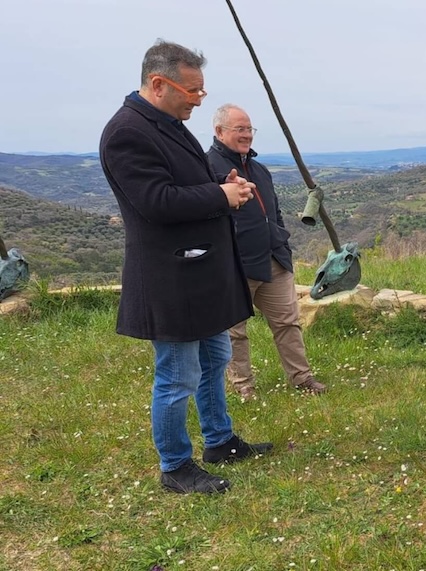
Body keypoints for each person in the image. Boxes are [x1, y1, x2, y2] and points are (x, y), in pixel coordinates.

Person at [99, 40, 272, 495]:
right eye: (192, 91)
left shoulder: (168, 124)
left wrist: (220, 181)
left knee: (215, 359)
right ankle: (175, 465)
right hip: (170, 277)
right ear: (159, 83)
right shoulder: (127, 132)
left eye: (202, 90)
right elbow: (156, 202)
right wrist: (221, 197)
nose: (199, 99)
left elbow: (183, 182)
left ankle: (219, 440)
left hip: (202, 273)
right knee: (177, 376)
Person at [206, 104, 327, 399]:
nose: (247, 135)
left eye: (249, 129)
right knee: (235, 331)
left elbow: (273, 210)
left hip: (273, 258)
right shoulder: (207, 168)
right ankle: (243, 385)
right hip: (234, 264)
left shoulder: (259, 170)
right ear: (219, 132)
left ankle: (302, 378)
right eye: (240, 129)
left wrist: (280, 241)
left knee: (288, 323)